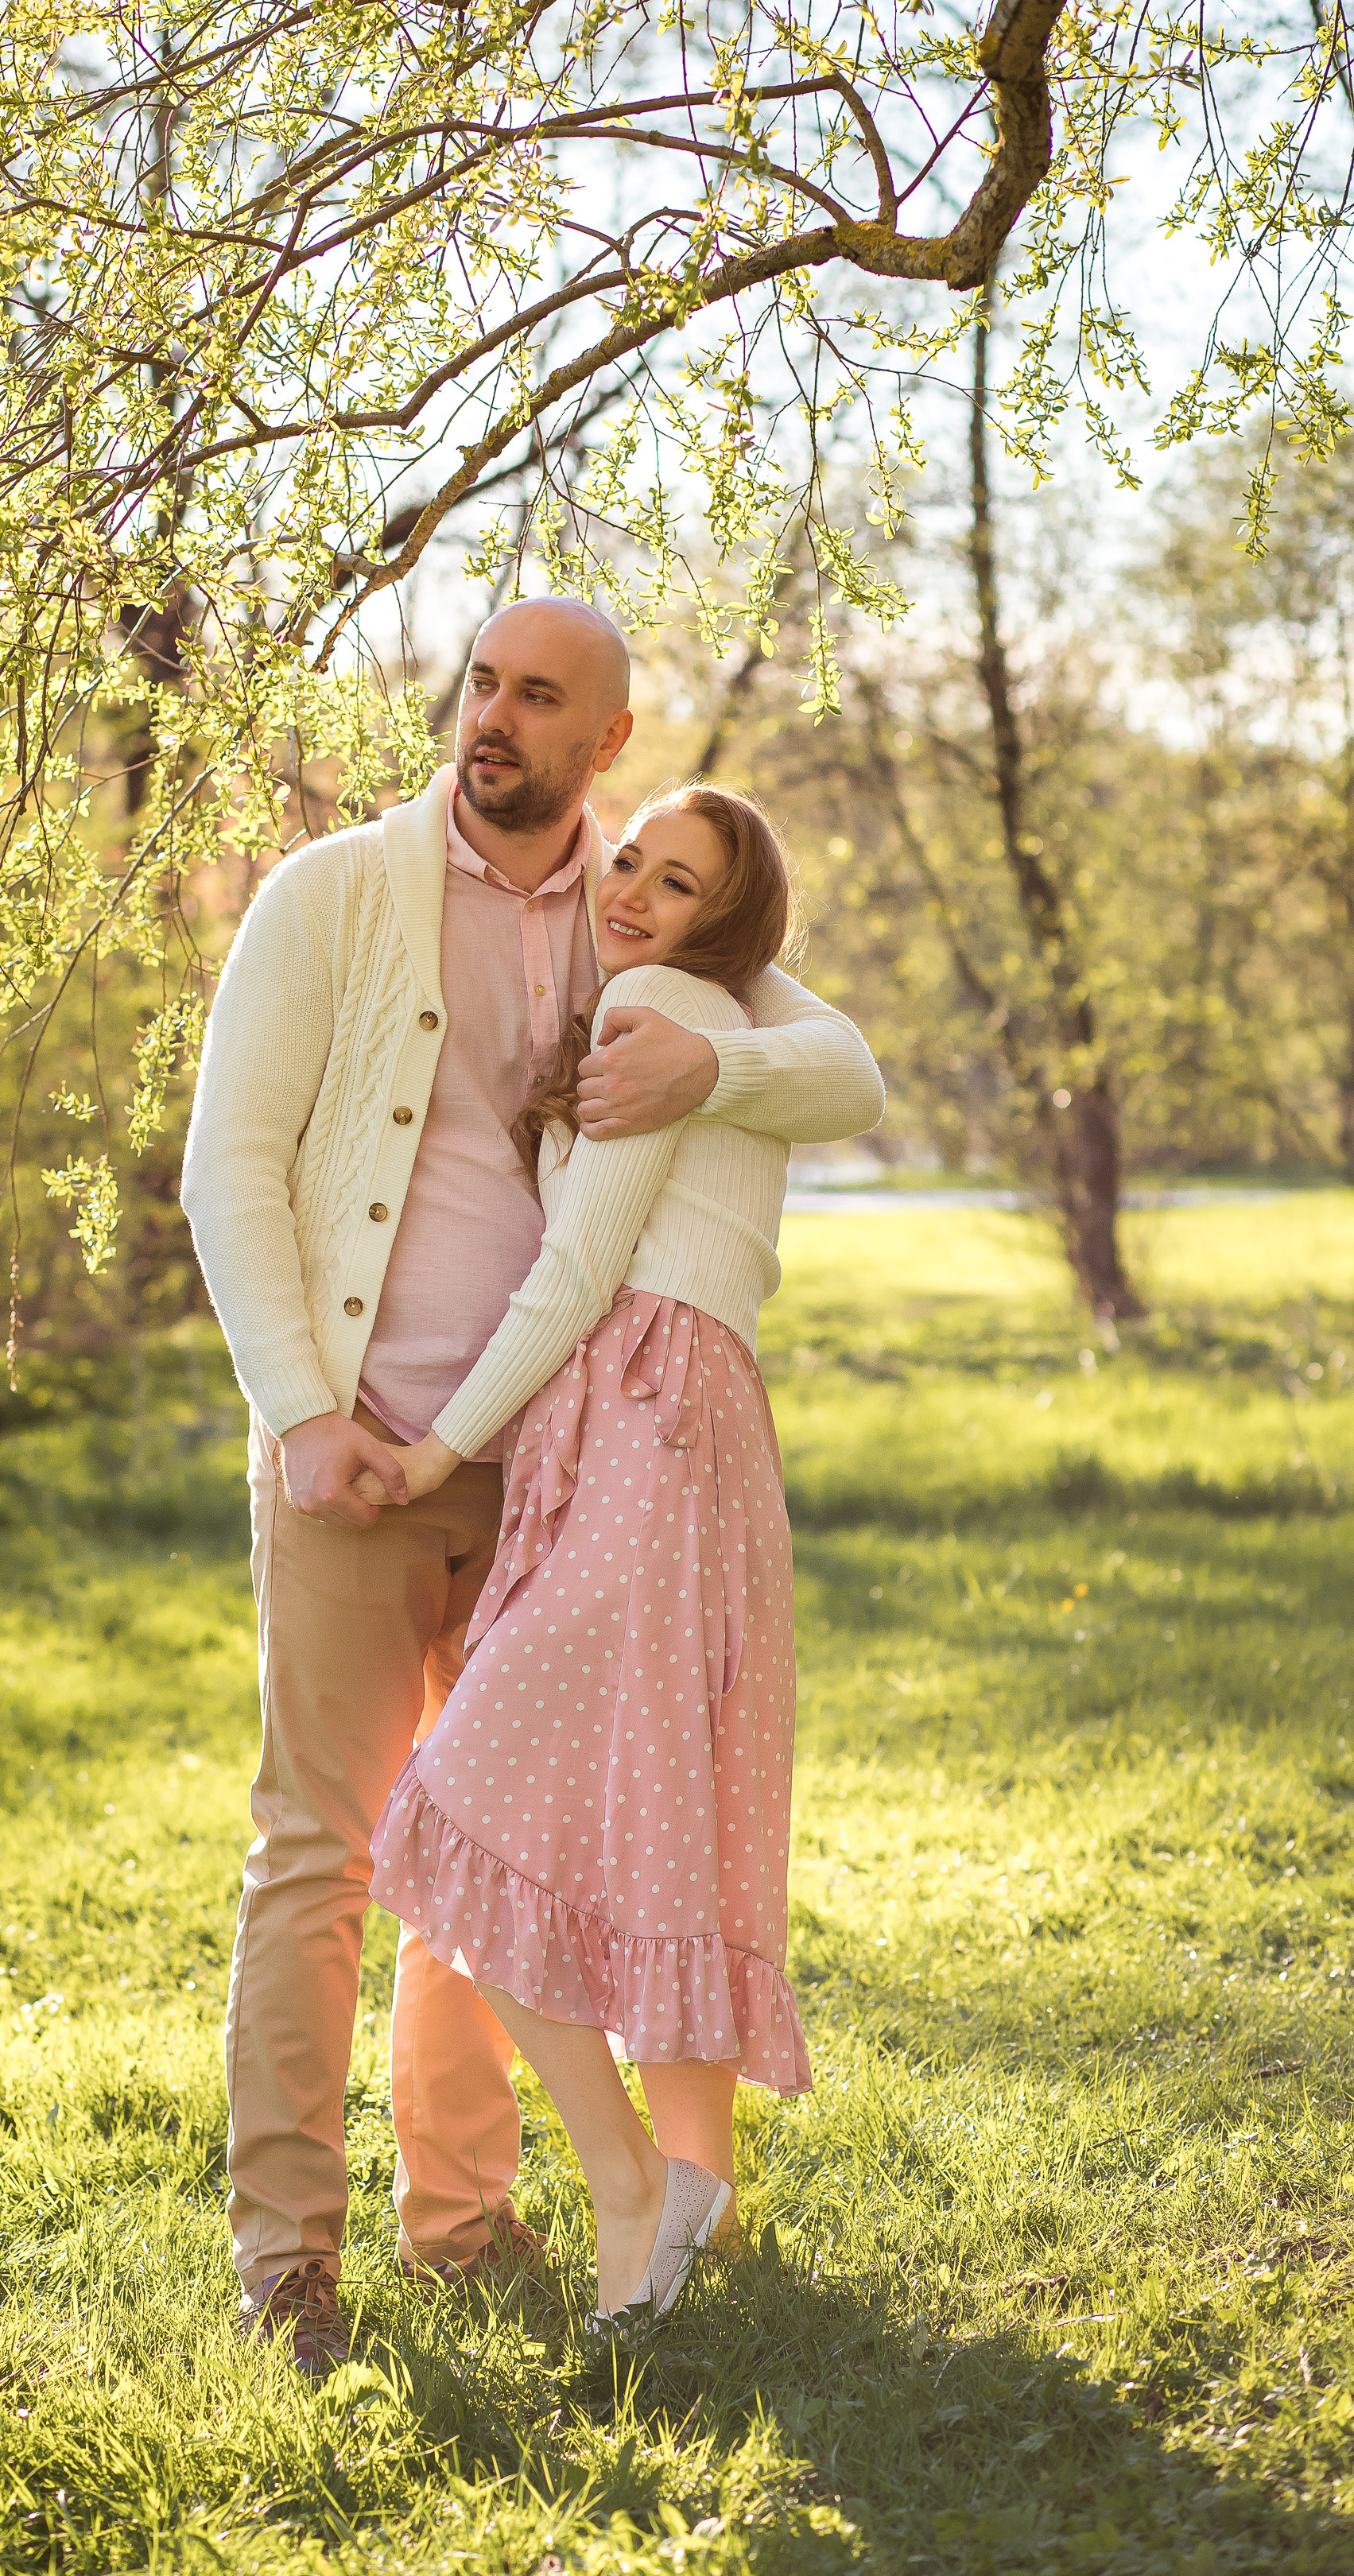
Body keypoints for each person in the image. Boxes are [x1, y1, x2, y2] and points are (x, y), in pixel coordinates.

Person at [180, 597, 883, 2372]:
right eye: (484, 683)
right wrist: (300, 1406)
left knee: (476, 1854)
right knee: (322, 1857)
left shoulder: (641, 907)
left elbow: (847, 1068)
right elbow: (228, 1167)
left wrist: (714, 1057)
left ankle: (466, 2224)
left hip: (544, 1469)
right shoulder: (330, 893)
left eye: (536, 697)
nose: (492, 717)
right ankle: (289, 2266)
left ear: (605, 738)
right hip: (357, 1448)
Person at [367, 781, 809, 2331]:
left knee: (438, 1817)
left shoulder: (668, 1018)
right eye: (631, 858)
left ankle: (633, 2181)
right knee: (632, 1824)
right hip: (672, 1434)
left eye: (676, 882)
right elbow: (841, 1066)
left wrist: (430, 1449)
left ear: (718, 926)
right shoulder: (703, 1014)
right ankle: (674, 2205)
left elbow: (572, 1279)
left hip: (643, 1424)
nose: (632, 889)